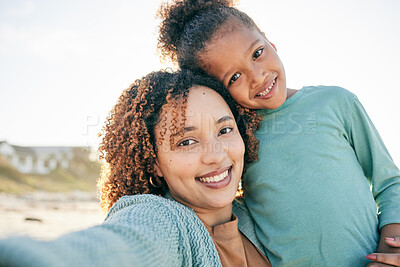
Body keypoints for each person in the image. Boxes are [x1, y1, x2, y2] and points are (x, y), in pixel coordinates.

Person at [156, 0, 400, 266]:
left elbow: (389, 182)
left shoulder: (336, 102)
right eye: (234, 77)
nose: (258, 76)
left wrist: (391, 251)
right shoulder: (235, 139)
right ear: (220, 91)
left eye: (257, 53)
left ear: (270, 42)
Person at [0, 69, 270, 266]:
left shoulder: (260, 214)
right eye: (187, 141)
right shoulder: (163, 221)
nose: (216, 155)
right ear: (154, 163)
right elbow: (118, 248)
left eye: (224, 130)